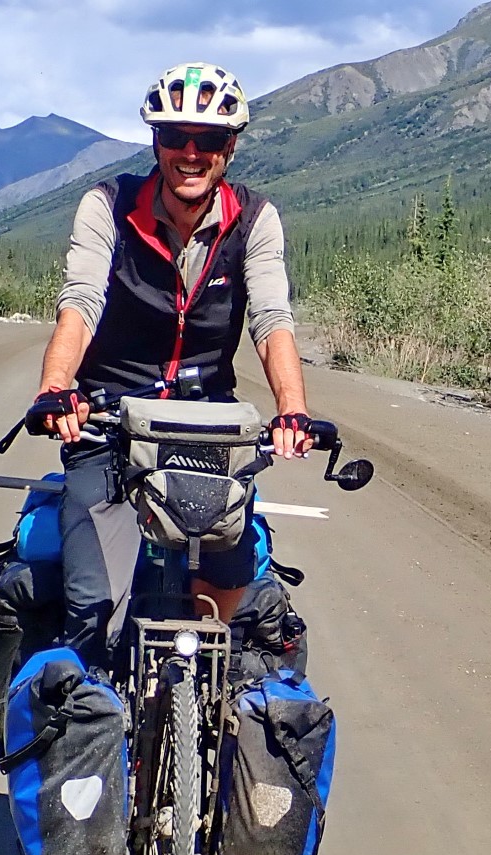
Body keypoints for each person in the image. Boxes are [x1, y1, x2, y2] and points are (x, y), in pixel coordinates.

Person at [31, 61, 319, 669]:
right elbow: (81, 301)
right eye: (175, 136)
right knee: (94, 611)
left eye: (208, 139)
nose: (191, 153)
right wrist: (56, 388)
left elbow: (272, 318)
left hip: (206, 430)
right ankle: (94, 709)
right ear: (155, 141)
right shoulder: (108, 207)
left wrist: (292, 410)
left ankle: (205, 699)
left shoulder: (254, 219)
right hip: (109, 424)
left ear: (229, 147)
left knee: (223, 603)